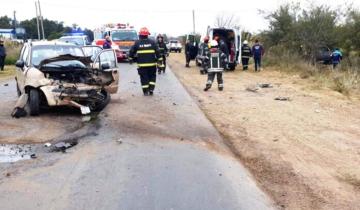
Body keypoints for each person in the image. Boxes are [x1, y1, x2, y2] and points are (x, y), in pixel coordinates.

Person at [129, 27, 161, 96]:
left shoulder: (137, 43)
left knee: (144, 78)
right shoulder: (153, 42)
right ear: (147, 34)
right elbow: (158, 52)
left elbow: (131, 51)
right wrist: (160, 60)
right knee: (152, 77)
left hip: (142, 66)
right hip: (152, 65)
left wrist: (130, 58)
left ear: (140, 35)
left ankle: (145, 91)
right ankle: (151, 89)